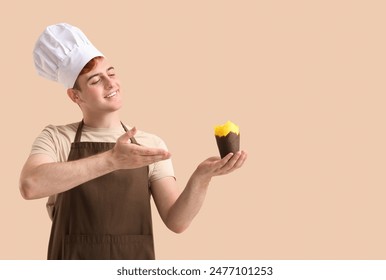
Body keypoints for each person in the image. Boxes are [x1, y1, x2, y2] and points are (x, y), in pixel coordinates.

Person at [19, 23, 247, 260]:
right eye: (95, 80)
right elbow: (30, 185)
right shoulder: (57, 138)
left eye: (112, 72)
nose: (110, 84)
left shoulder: (150, 143)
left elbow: (176, 221)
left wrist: (201, 177)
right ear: (75, 95)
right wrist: (112, 160)